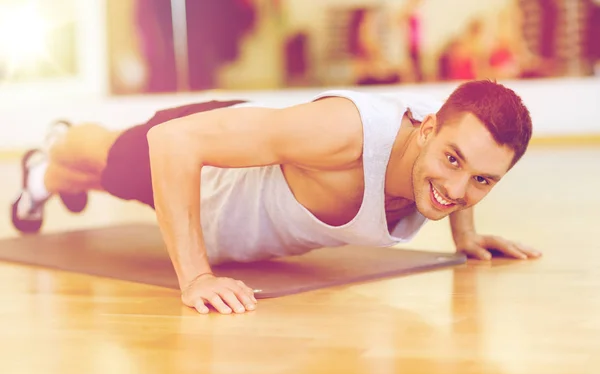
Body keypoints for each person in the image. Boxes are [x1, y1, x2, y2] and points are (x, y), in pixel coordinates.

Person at [11, 80, 542, 315]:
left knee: (94, 179)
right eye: (452, 162)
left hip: (239, 205)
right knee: (110, 159)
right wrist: (196, 277)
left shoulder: (453, 137)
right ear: (426, 131)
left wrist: (466, 235)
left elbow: (468, 162)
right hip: (211, 174)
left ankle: (42, 178)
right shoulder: (345, 133)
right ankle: (59, 142)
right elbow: (172, 144)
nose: (457, 190)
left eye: (483, 182)